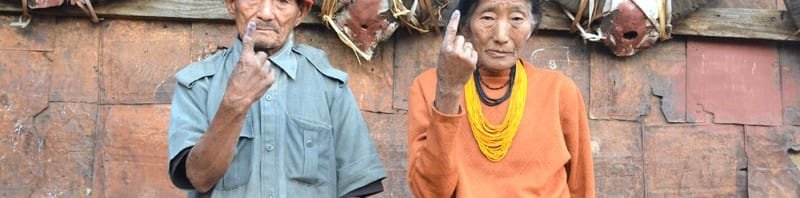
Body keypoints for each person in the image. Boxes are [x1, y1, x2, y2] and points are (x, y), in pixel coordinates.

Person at [167, 0, 387, 197]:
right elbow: (199, 178)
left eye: (282, 1)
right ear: (231, 4)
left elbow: (355, 187)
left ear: (301, 12)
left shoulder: (329, 86)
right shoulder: (198, 84)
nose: (265, 13)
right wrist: (235, 102)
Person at [405, 0, 595, 196]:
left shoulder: (560, 90)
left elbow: (582, 186)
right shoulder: (430, 87)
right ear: (465, 25)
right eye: (488, 18)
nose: (501, 36)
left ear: (531, 26)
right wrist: (449, 91)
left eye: (516, 19)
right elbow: (428, 192)